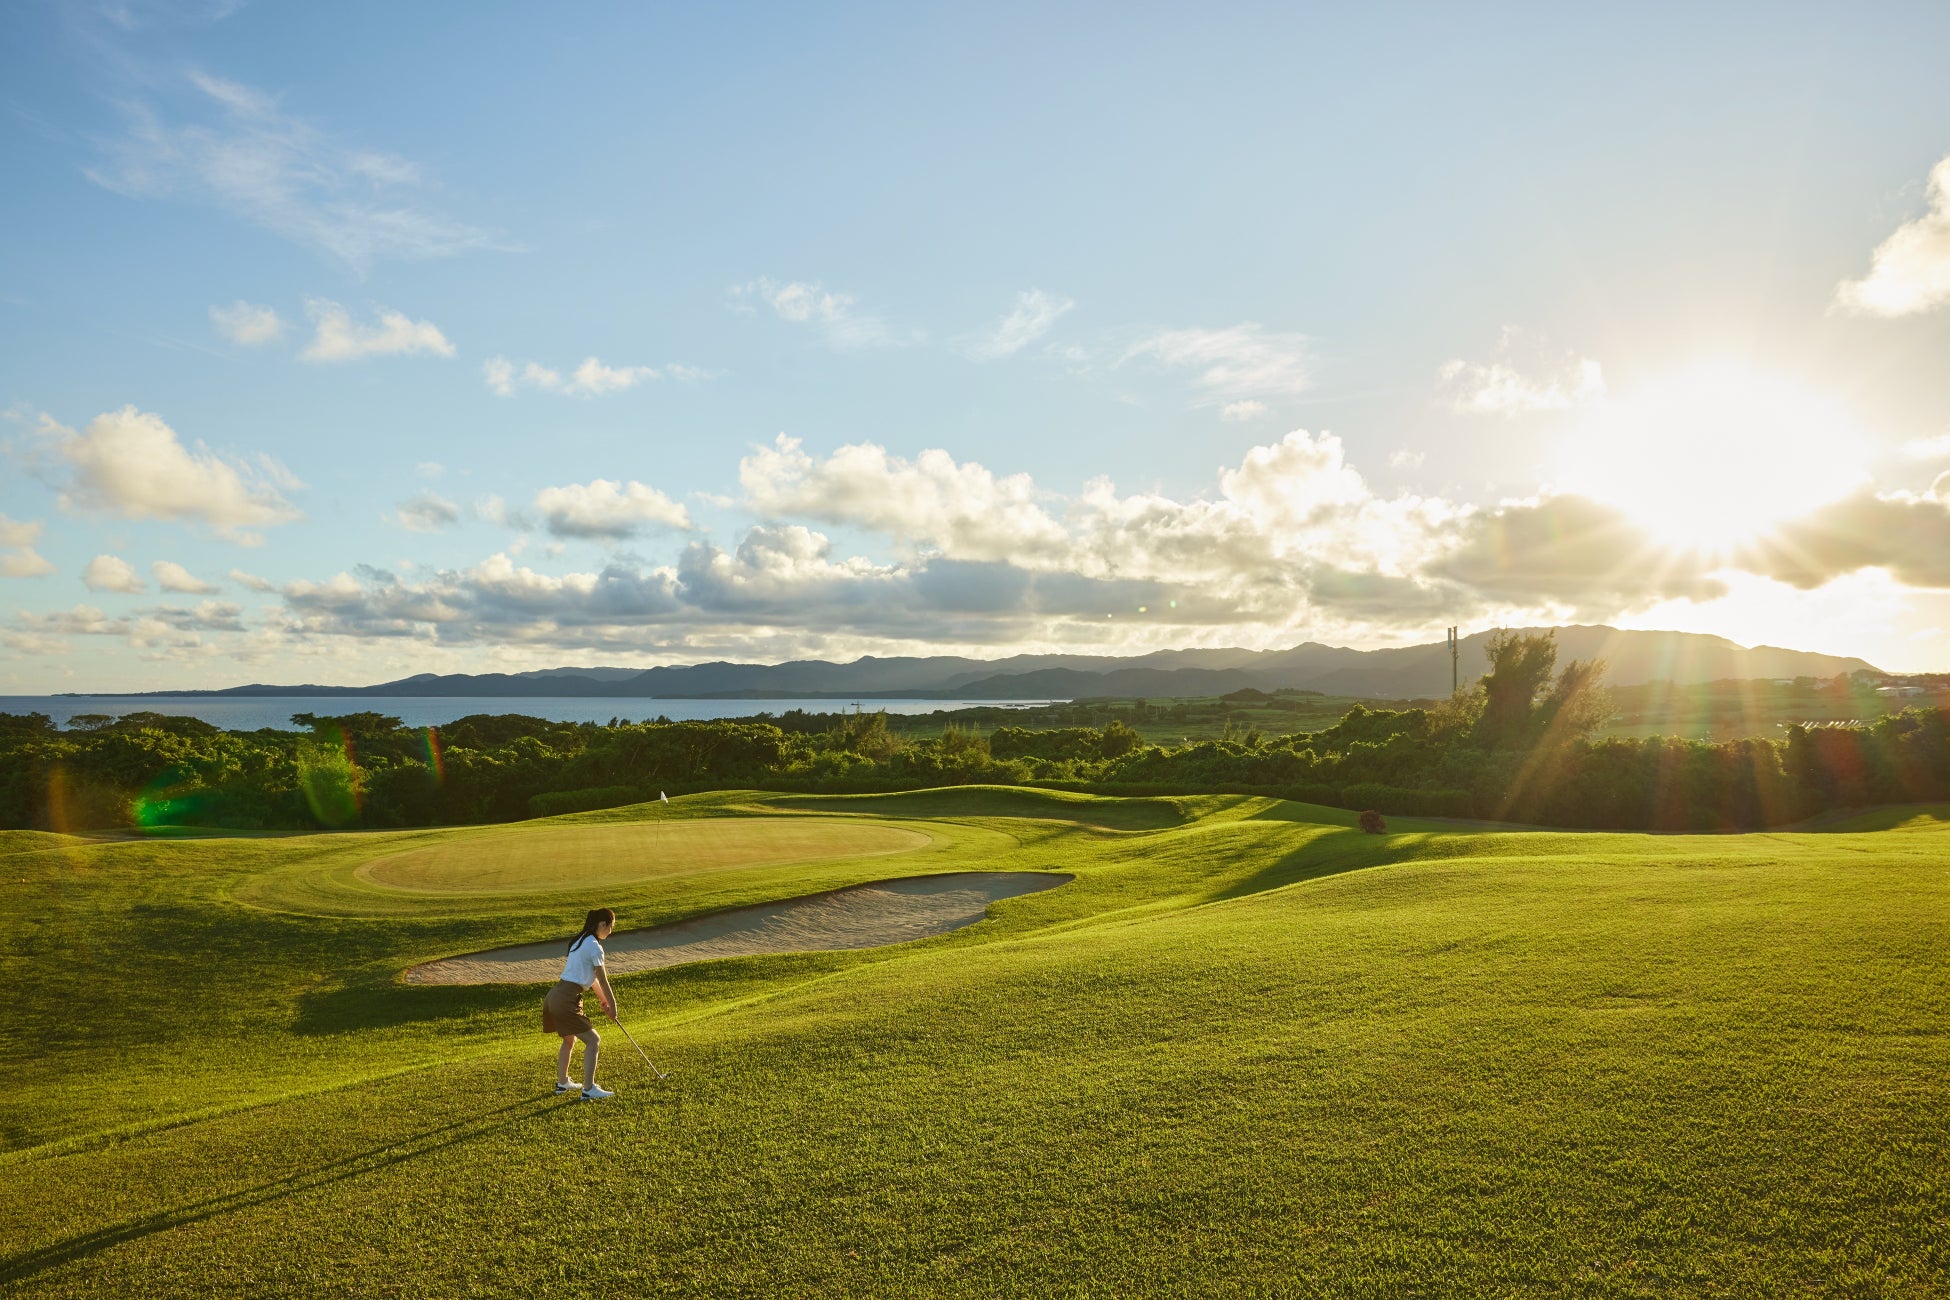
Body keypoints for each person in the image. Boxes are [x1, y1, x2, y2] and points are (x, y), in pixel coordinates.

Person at [543, 907, 619, 1100]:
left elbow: (590, 979)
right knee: (593, 1040)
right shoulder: (594, 946)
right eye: (611, 927)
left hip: (555, 996)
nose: (611, 931)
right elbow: (602, 980)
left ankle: (563, 1083)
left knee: (569, 1040)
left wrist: (604, 1001)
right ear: (602, 924)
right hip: (567, 999)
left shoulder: (580, 940)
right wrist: (613, 1007)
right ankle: (588, 1089)